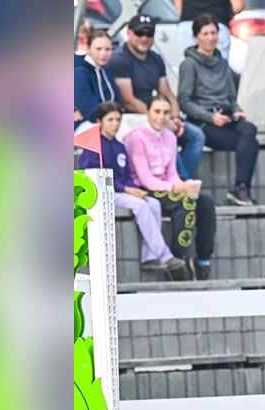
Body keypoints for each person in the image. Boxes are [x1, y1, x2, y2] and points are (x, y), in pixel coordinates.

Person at [78, 102, 189, 280]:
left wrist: (134, 189)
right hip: (102, 194)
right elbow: (91, 176)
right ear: (100, 121)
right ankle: (164, 255)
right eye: (110, 120)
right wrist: (125, 188)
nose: (115, 124)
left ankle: (149, 256)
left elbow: (127, 174)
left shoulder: (119, 146)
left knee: (153, 203)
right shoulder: (94, 146)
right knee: (140, 206)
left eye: (118, 120)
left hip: (120, 192)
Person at [124, 96, 217, 280]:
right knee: (184, 201)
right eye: (157, 111)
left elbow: (171, 171)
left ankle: (203, 260)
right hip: (144, 188)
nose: (161, 117)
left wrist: (183, 185)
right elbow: (146, 179)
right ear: (148, 112)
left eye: (166, 112)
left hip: (166, 187)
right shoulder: (136, 138)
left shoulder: (169, 137)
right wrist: (176, 188)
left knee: (205, 202)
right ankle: (177, 259)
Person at [108, 14, 206, 180]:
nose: (144, 38)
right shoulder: (120, 59)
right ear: (129, 33)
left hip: (157, 115)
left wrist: (175, 118)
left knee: (196, 135)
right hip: (131, 117)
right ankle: (181, 185)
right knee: (166, 133)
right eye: (139, 33)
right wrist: (164, 120)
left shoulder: (156, 59)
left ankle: (182, 183)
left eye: (149, 34)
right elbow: (128, 101)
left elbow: (167, 93)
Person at [178, 13, 259, 206]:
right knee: (249, 143)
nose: (210, 38)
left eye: (214, 33)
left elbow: (231, 97)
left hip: (226, 116)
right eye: (205, 33)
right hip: (204, 120)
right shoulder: (189, 64)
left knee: (250, 130)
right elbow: (184, 100)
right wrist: (210, 117)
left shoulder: (222, 63)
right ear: (196, 37)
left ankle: (240, 187)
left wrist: (237, 110)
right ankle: (241, 189)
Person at [75, 30, 120, 133]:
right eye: (98, 49)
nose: (103, 54)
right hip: (86, 125)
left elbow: (117, 100)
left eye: (108, 49)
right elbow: (89, 110)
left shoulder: (106, 70)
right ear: (89, 48)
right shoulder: (80, 73)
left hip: (110, 121)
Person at [175, 0, 246, 63]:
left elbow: (178, 4)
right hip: (216, 23)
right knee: (219, 70)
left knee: (190, 67)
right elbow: (238, 6)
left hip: (188, 23)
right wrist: (227, 14)